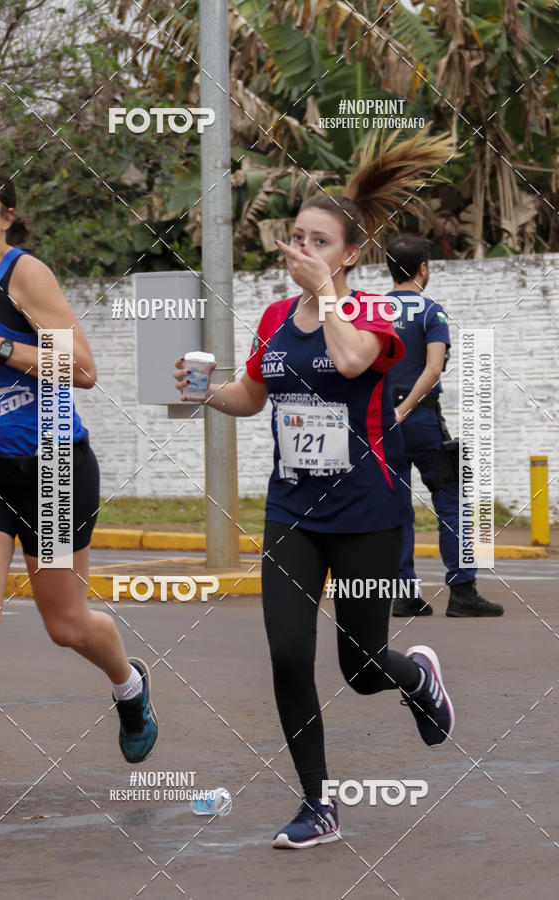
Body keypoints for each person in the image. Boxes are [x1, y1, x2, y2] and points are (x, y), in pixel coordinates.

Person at [175, 131, 456, 849]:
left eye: (319, 241)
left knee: (361, 669)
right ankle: (318, 805)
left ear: (351, 254)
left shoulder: (375, 314)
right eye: (296, 236)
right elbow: (252, 394)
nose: (301, 248)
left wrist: (327, 294)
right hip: (292, 511)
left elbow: (353, 358)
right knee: (287, 655)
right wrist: (207, 394)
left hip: (368, 512)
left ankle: (417, 678)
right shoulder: (273, 318)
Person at [0, 161, 158, 821]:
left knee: (66, 625)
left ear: (5, 216)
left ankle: (129, 686)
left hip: (53, 468)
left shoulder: (24, 275)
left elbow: (82, 369)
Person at [385, 233, 503, 618]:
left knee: (396, 507)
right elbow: (433, 369)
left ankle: (404, 594)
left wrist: (389, 413)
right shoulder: (431, 312)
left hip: (381, 423)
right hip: (420, 420)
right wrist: (406, 409)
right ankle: (463, 592)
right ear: (423, 268)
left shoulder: (371, 312)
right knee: (451, 501)